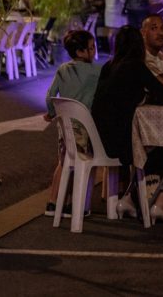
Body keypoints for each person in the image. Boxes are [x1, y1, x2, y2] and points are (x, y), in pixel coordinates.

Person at [90, 26, 163, 223]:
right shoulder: (135, 66)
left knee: (152, 147)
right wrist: (146, 96)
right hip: (119, 144)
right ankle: (159, 203)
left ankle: (130, 198)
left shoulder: (109, 66)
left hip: (98, 139)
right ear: (139, 45)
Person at [43, 29, 102, 218]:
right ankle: (77, 205)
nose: (94, 52)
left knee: (64, 162)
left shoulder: (62, 70)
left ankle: (53, 203)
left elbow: (50, 96)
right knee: (84, 163)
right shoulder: (97, 71)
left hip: (66, 127)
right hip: (86, 129)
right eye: (91, 48)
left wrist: (52, 113)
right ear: (80, 51)